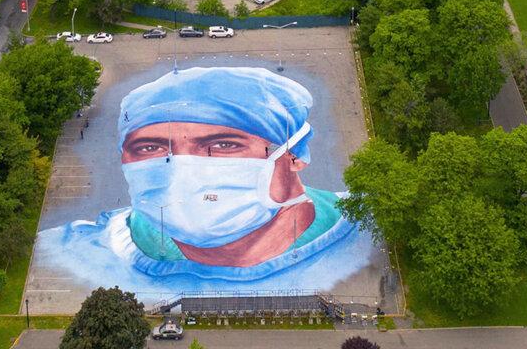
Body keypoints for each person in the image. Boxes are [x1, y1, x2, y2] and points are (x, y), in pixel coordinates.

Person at [35, 67, 375, 296]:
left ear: (295, 154)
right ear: (125, 158)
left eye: (224, 145)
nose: (184, 168)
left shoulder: (367, 228)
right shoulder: (73, 251)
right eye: (150, 147)